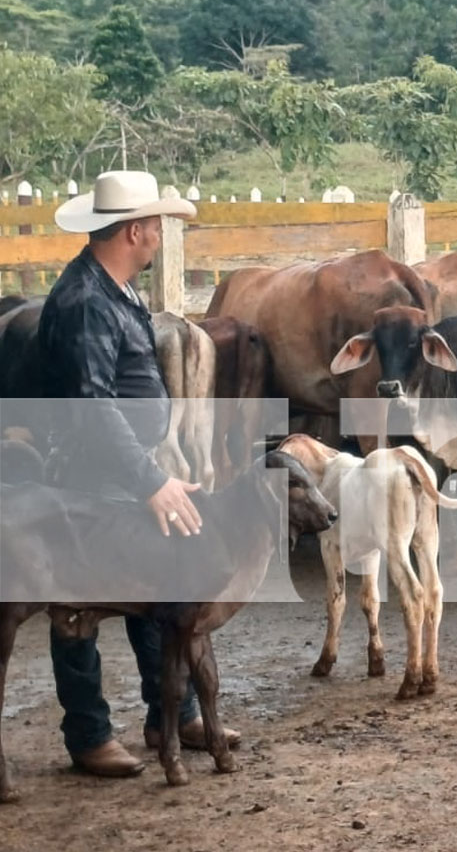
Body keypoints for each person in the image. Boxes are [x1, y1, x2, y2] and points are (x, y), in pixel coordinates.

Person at [39, 170, 239, 779]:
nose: (159, 234)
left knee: (160, 581)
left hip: (122, 468)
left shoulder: (111, 290)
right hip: (90, 474)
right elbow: (94, 407)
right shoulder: (85, 304)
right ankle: (89, 734)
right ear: (134, 231)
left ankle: (169, 715)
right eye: (156, 224)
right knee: (78, 603)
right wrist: (149, 481)